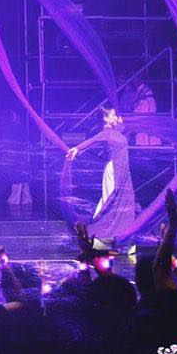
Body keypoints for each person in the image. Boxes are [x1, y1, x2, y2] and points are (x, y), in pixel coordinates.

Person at [66, 103, 139, 247]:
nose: (116, 117)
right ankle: (94, 231)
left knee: (125, 201)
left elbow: (124, 130)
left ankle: (121, 234)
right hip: (114, 170)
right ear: (105, 118)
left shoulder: (116, 130)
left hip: (123, 170)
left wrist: (120, 122)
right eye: (113, 115)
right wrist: (77, 149)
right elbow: (92, 141)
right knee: (110, 201)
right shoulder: (106, 132)